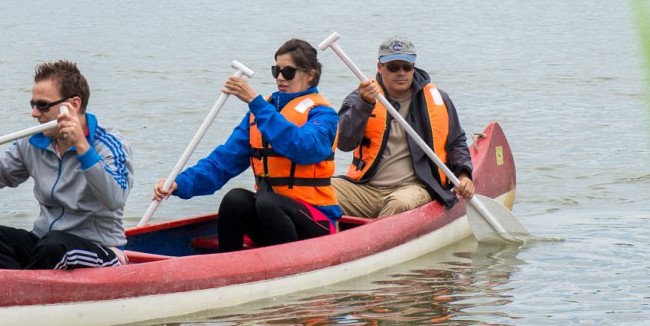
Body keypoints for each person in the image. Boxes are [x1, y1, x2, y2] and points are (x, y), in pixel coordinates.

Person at [0, 60, 134, 269]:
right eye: (32, 104)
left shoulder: (109, 143)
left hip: (100, 249)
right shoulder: (33, 141)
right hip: (46, 243)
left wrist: (81, 147)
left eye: (43, 105)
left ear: (74, 105)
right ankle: (17, 292)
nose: (34, 113)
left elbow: (115, 198)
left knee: (54, 246)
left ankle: (23, 291)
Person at [152, 38, 340, 250]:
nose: (280, 78)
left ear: (310, 75)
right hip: (270, 219)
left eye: (288, 72)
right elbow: (222, 162)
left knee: (268, 203)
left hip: (316, 221)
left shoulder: (323, 114)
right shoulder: (260, 114)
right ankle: (228, 266)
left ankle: (289, 269)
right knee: (236, 199)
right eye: (276, 71)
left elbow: (303, 148)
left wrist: (256, 103)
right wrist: (179, 183)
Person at [332, 36, 475, 218]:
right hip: (366, 188)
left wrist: (464, 175)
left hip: (414, 188)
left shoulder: (438, 99)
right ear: (380, 67)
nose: (401, 72)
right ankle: (325, 240)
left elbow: (456, 142)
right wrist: (364, 104)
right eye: (393, 67)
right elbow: (344, 143)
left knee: (398, 204)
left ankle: (377, 243)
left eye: (407, 67)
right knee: (320, 191)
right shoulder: (359, 98)